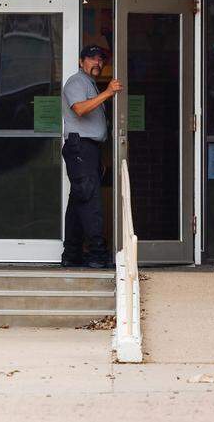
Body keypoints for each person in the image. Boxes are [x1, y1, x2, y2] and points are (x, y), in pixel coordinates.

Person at [60, 45, 122, 269]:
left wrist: (98, 157)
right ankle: (97, 254)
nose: (98, 63)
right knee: (90, 202)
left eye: (101, 60)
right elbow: (79, 109)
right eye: (93, 59)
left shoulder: (90, 84)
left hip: (88, 150)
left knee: (78, 202)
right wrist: (108, 92)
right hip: (81, 148)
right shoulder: (77, 82)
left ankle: (72, 254)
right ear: (81, 61)